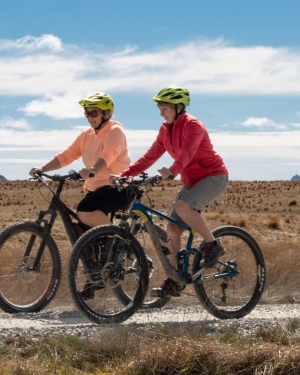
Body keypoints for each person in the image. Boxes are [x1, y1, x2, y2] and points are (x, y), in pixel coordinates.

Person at [119, 86, 228, 298]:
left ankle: (212, 244)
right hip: (191, 181)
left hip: (214, 176)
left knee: (182, 206)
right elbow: (149, 157)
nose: (161, 112)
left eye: (165, 107)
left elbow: (187, 153)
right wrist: (126, 175)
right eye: (160, 107)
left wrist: (172, 171)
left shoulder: (193, 126)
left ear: (179, 107)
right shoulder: (164, 130)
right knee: (172, 228)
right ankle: (175, 278)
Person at [28, 92, 131, 230]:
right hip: (96, 189)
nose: (89, 117)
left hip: (117, 187)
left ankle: (116, 240)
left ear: (105, 113)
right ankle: (97, 246)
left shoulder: (114, 130)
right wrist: (43, 169)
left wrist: (93, 170)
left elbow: (109, 154)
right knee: (82, 229)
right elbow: (67, 155)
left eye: (94, 113)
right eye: (86, 113)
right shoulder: (86, 135)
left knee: (85, 210)